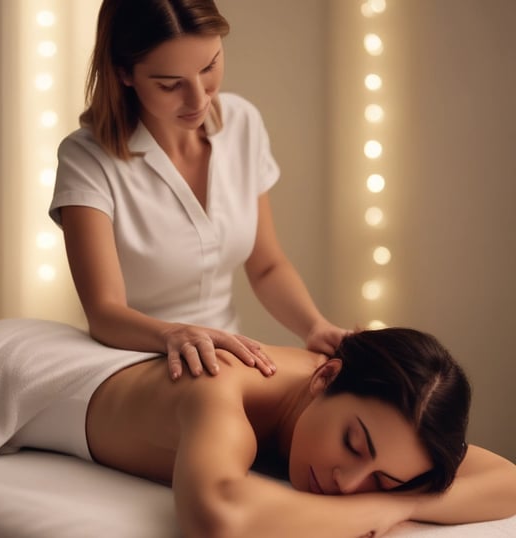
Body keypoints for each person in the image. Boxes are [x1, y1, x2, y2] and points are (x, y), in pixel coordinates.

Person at [0, 319, 515, 538]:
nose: (347, 481)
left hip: (83, 369)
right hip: (1, 371)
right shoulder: (225, 396)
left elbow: (506, 479)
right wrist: (381, 510)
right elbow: (218, 517)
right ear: (326, 374)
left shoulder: (387, 411)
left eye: (383, 476)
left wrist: (406, 494)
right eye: (354, 447)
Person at [50, 0, 349, 381]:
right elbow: (105, 313)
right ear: (124, 73)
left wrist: (314, 326)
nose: (199, 99)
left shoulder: (242, 123)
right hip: (137, 366)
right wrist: (173, 334)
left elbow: (267, 266)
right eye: (170, 84)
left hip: (229, 360)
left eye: (209, 66)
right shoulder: (87, 158)